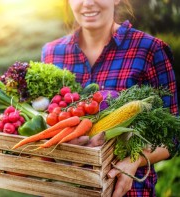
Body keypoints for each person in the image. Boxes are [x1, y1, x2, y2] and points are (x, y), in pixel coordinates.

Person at [41, 0, 179, 196]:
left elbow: (173, 137)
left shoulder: (149, 50)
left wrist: (134, 161)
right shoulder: (52, 53)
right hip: (65, 189)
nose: (87, 3)